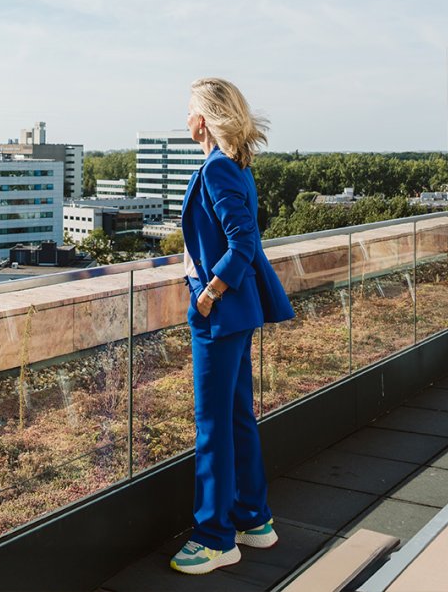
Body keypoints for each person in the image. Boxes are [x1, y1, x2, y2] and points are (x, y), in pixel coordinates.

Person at [170, 77, 296, 575]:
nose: (184, 118)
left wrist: (208, 293)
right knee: (237, 415)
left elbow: (244, 241)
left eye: (187, 110)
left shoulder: (217, 169)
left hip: (218, 313)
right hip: (236, 312)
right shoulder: (238, 167)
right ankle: (253, 519)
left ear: (203, 118)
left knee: (212, 425)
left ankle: (215, 538)